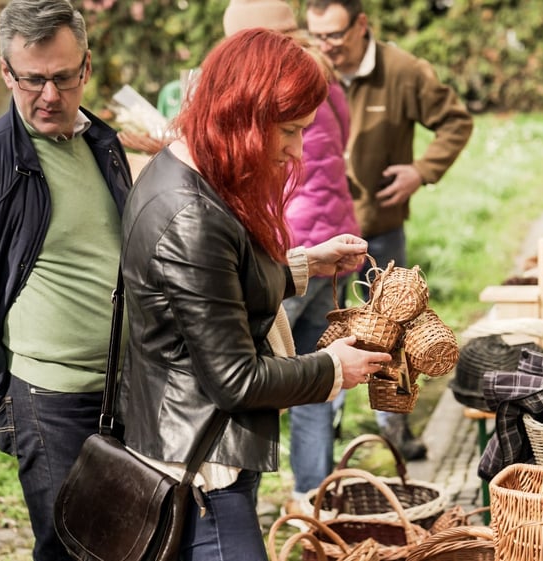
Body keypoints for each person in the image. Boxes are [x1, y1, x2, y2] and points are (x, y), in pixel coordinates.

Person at [117, 28, 392, 561]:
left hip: (197, 451)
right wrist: (333, 368)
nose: (295, 152)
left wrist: (304, 264)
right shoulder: (191, 216)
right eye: (287, 131)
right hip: (200, 474)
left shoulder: (182, 167)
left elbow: (210, 286)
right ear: (240, 114)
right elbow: (236, 381)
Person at [0, 1, 133, 559]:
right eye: (32, 79)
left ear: (86, 67)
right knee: (72, 548)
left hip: (127, 389)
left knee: (135, 542)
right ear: (6, 72)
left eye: (63, 77)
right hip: (48, 402)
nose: (50, 96)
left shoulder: (103, 144)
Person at [305, 0, 474, 460]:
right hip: (319, 237)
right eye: (316, 35)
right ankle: (329, 425)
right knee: (331, 330)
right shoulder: (309, 69)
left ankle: (395, 427)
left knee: (395, 331)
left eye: (334, 36)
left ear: (362, 25)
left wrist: (421, 171)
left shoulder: (402, 71)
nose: (325, 47)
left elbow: (456, 121)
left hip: (377, 229)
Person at [222, 0, 362, 515]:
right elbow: (340, 143)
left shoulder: (266, 94)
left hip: (289, 244)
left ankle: (267, 494)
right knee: (318, 371)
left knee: (297, 373)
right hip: (324, 238)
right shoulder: (324, 79)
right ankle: (314, 498)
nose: (296, 149)